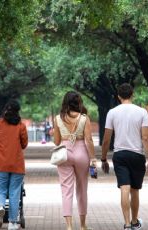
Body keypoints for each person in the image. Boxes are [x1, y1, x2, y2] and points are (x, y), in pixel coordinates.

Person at [101, 83, 148, 230]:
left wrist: (103, 158)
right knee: (135, 190)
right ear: (132, 95)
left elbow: (106, 139)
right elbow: (145, 137)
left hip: (120, 155)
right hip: (137, 155)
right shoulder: (142, 112)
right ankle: (135, 221)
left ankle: (126, 223)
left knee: (124, 188)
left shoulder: (112, 112)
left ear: (118, 96)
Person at [53, 91, 97, 230]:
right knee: (82, 189)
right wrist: (93, 158)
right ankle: (83, 225)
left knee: (66, 189)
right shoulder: (84, 118)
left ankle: (69, 226)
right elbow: (88, 140)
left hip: (64, 153)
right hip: (81, 152)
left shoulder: (57, 119)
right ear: (78, 102)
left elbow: (56, 141)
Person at [0, 100, 28, 230]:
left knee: (0, 190)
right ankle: (13, 223)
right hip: (17, 165)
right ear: (18, 111)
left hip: (0, 164)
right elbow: (24, 144)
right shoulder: (21, 126)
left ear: (5, 109)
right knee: (14, 192)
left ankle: (1, 206)